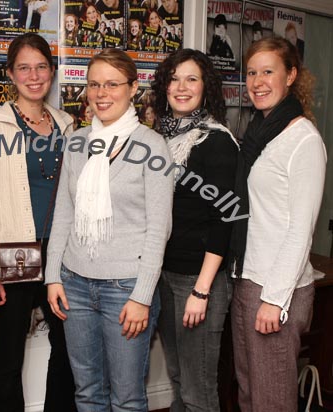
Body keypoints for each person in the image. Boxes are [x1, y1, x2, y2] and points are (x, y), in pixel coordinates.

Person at [46, 48, 174, 412]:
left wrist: (142, 296)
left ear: (133, 88)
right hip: (75, 285)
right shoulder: (76, 141)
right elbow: (64, 215)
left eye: (112, 84)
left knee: (127, 398)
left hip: (126, 290)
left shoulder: (152, 146)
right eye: (94, 84)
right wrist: (53, 275)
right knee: (87, 392)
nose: (101, 93)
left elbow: (158, 229)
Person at [0, 33, 77, 412]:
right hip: (17, 252)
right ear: (11, 75)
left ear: (51, 71)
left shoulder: (68, 125)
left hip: (61, 253)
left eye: (40, 67)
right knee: (9, 353)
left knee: (67, 347)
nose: (33, 76)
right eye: (23, 68)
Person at [229, 37, 326, 412]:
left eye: (268, 71)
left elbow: (301, 230)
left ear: (291, 76)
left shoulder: (303, 141)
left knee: (272, 401)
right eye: (252, 72)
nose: (257, 81)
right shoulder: (259, 133)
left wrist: (274, 299)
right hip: (247, 278)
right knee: (250, 392)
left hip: (275, 288)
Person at [151, 48, 239, 412]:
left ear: (206, 87)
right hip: (165, 275)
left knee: (198, 391)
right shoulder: (159, 139)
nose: (182, 87)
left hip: (199, 281)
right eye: (174, 78)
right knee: (177, 379)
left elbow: (225, 219)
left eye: (192, 79)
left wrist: (202, 291)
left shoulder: (216, 141)